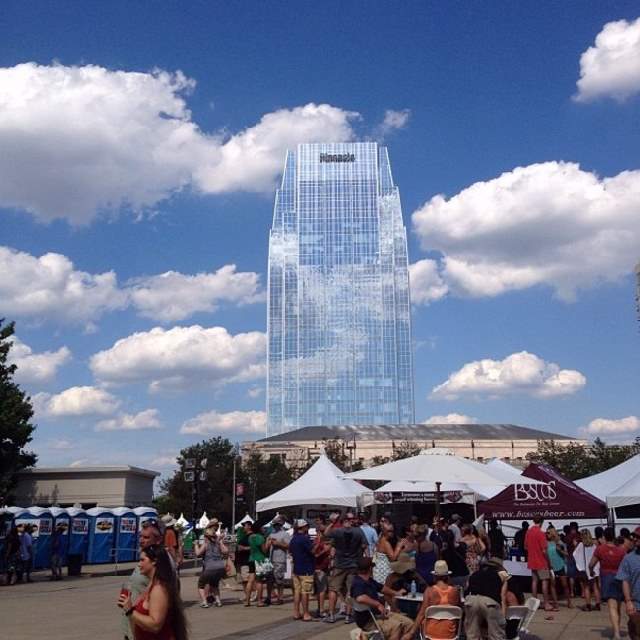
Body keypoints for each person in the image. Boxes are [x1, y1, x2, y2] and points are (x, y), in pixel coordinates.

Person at [117, 544, 188, 640]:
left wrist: (130, 611)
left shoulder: (159, 589)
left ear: (154, 561)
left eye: (142, 560)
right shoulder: (151, 585)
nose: (139, 564)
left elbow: (155, 625)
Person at [122, 519, 167, 640]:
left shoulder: (163, 564)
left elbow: (157, 621)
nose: (141, 540)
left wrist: (130, 610)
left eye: (146, 537)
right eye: (140, 536)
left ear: (158, 540)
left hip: (146, 631)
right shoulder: (146, 558)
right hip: (135, 628)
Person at [350, 557, 414, 640]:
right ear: (370, 569)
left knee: (409, 623)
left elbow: (382, 588)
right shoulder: (358, 583)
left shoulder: (369, 580)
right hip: (369, 621)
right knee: (396, 626)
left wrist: (396, 593)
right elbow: (360, 597)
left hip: (380, 615)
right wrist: (377, 604)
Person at [324, 511, 367, 624]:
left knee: (333, 589)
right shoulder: (358, 531)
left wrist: (332, 523)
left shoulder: (338, 531)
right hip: (353, 564)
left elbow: (326, 533)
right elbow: (364, 545)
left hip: (339, 564)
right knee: (350, 591)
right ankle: (348, 616)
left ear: (342, 522)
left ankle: (332, 615)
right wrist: (358, 551)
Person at [591, 527, 626, 639]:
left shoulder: (600, 549)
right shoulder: (621, 550)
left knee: (612, 607)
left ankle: (616, 633)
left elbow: (591, 563)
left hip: (606, 578)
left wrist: (591, 571)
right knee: (618, 607)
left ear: (604, 536)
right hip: (619, 578)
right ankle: (617, 630)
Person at [412, 560, 460, 640]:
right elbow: (458, 611)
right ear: (447, 576)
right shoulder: (455, 591)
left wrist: (411, 632)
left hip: (431, 634)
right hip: (450, 634)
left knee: (420, 612)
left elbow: (421, 614)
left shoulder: (429, 591)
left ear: (435, 576)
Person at [464, 557, 508, 640]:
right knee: (496, 635)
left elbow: (467, 589)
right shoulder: (500, 576)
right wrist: (503, 618)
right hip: (489, 601)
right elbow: (503, 597)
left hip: (472, 599)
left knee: (472, 635)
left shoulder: (474, 574)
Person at [194, 523, 228, 608]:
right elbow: (226, 551)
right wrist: (220, 542)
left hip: (210, 567)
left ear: (206, 537)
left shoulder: (206, 544)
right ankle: (218, 601)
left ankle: (205, 602)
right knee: (215, 584)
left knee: (201, 585)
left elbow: (198, 553)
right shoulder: (218, 543)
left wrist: (195, 545)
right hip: (220, 567)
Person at [288, 519, 315, 621]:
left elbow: (290, 551)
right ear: (303, 527)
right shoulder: (305, 539)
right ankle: (306, 613)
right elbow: (313, 551)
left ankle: (296, 612)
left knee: (297, 591)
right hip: (306, 568)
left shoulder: (293, 539)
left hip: (297, 569)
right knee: (305, 592)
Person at [525, 515, 552, 611]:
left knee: (534, 582)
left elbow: (526, 547)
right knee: (544, 582)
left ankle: (535, 603)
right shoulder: (541, 533)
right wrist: (549, 562)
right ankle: (546, 603)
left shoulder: (528, 532)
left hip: (532, 560)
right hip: (541, 561)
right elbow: (544, 551)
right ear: (542, 522)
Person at [616, 529, 640, 640]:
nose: (635, 539)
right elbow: (624, 580)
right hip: (636, 604)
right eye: (634, 536)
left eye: (638, 536)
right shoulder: (628, 558)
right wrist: (628, 601)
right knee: (635, 632)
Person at [574, 528, 600, 611]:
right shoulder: (594, 544)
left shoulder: (581, 545)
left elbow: (575, 555)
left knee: (586, 587)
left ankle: (588, 605)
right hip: (594, 568)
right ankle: (597, 604)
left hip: (585, 569)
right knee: (595, 587)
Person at [266, 515, 288, 605]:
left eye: (277, 524)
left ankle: (280, 597)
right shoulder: (271, 534)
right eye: (274, 524)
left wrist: (277, 543)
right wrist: (268, 542)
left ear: (281, 524)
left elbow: (288, 546)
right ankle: (268, 597)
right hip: (270, 559)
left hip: (280, 559)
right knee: (269, 580)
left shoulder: (285, 534)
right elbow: (266, 547)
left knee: (279, 580)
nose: (275, 526)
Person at [547, 527, 571, 608]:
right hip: (551, 567)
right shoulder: (546, 543)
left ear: (553, 533)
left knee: (565, 585)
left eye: (548, 533)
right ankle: (555, 602)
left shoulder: (559, 542)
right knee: (553, 585)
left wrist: (560, 550)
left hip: (560, 566)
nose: (547, 535)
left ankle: (569, 602)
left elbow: (567, 554)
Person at [313, 516, 331, 619]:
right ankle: (321, 610)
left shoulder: (319, 541)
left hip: (321, 567)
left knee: (320, 589)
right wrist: (325, 550)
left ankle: (320, 608)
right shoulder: (319, 541)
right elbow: (316, 553)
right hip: (320, 567)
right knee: (322, 589)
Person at [245, 522, 267, 607]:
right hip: (259, 559)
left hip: (251, 558)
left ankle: (247, 601)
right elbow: (264, 550)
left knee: (250, 580)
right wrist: (267, 544)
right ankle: (259, 601)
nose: (263, 529)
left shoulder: (250, 537)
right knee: (259, 581)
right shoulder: (260, 537)